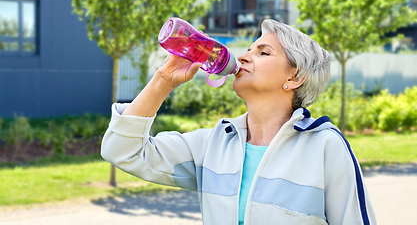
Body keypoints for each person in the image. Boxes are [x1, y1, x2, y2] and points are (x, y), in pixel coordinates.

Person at [101, 19, 376, 225]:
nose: (243, 56)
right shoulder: (212, 145)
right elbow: (122, 151)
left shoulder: (325, 147)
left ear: (295, 77)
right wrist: (163, 80)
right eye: (248, 49)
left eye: (263, 52)